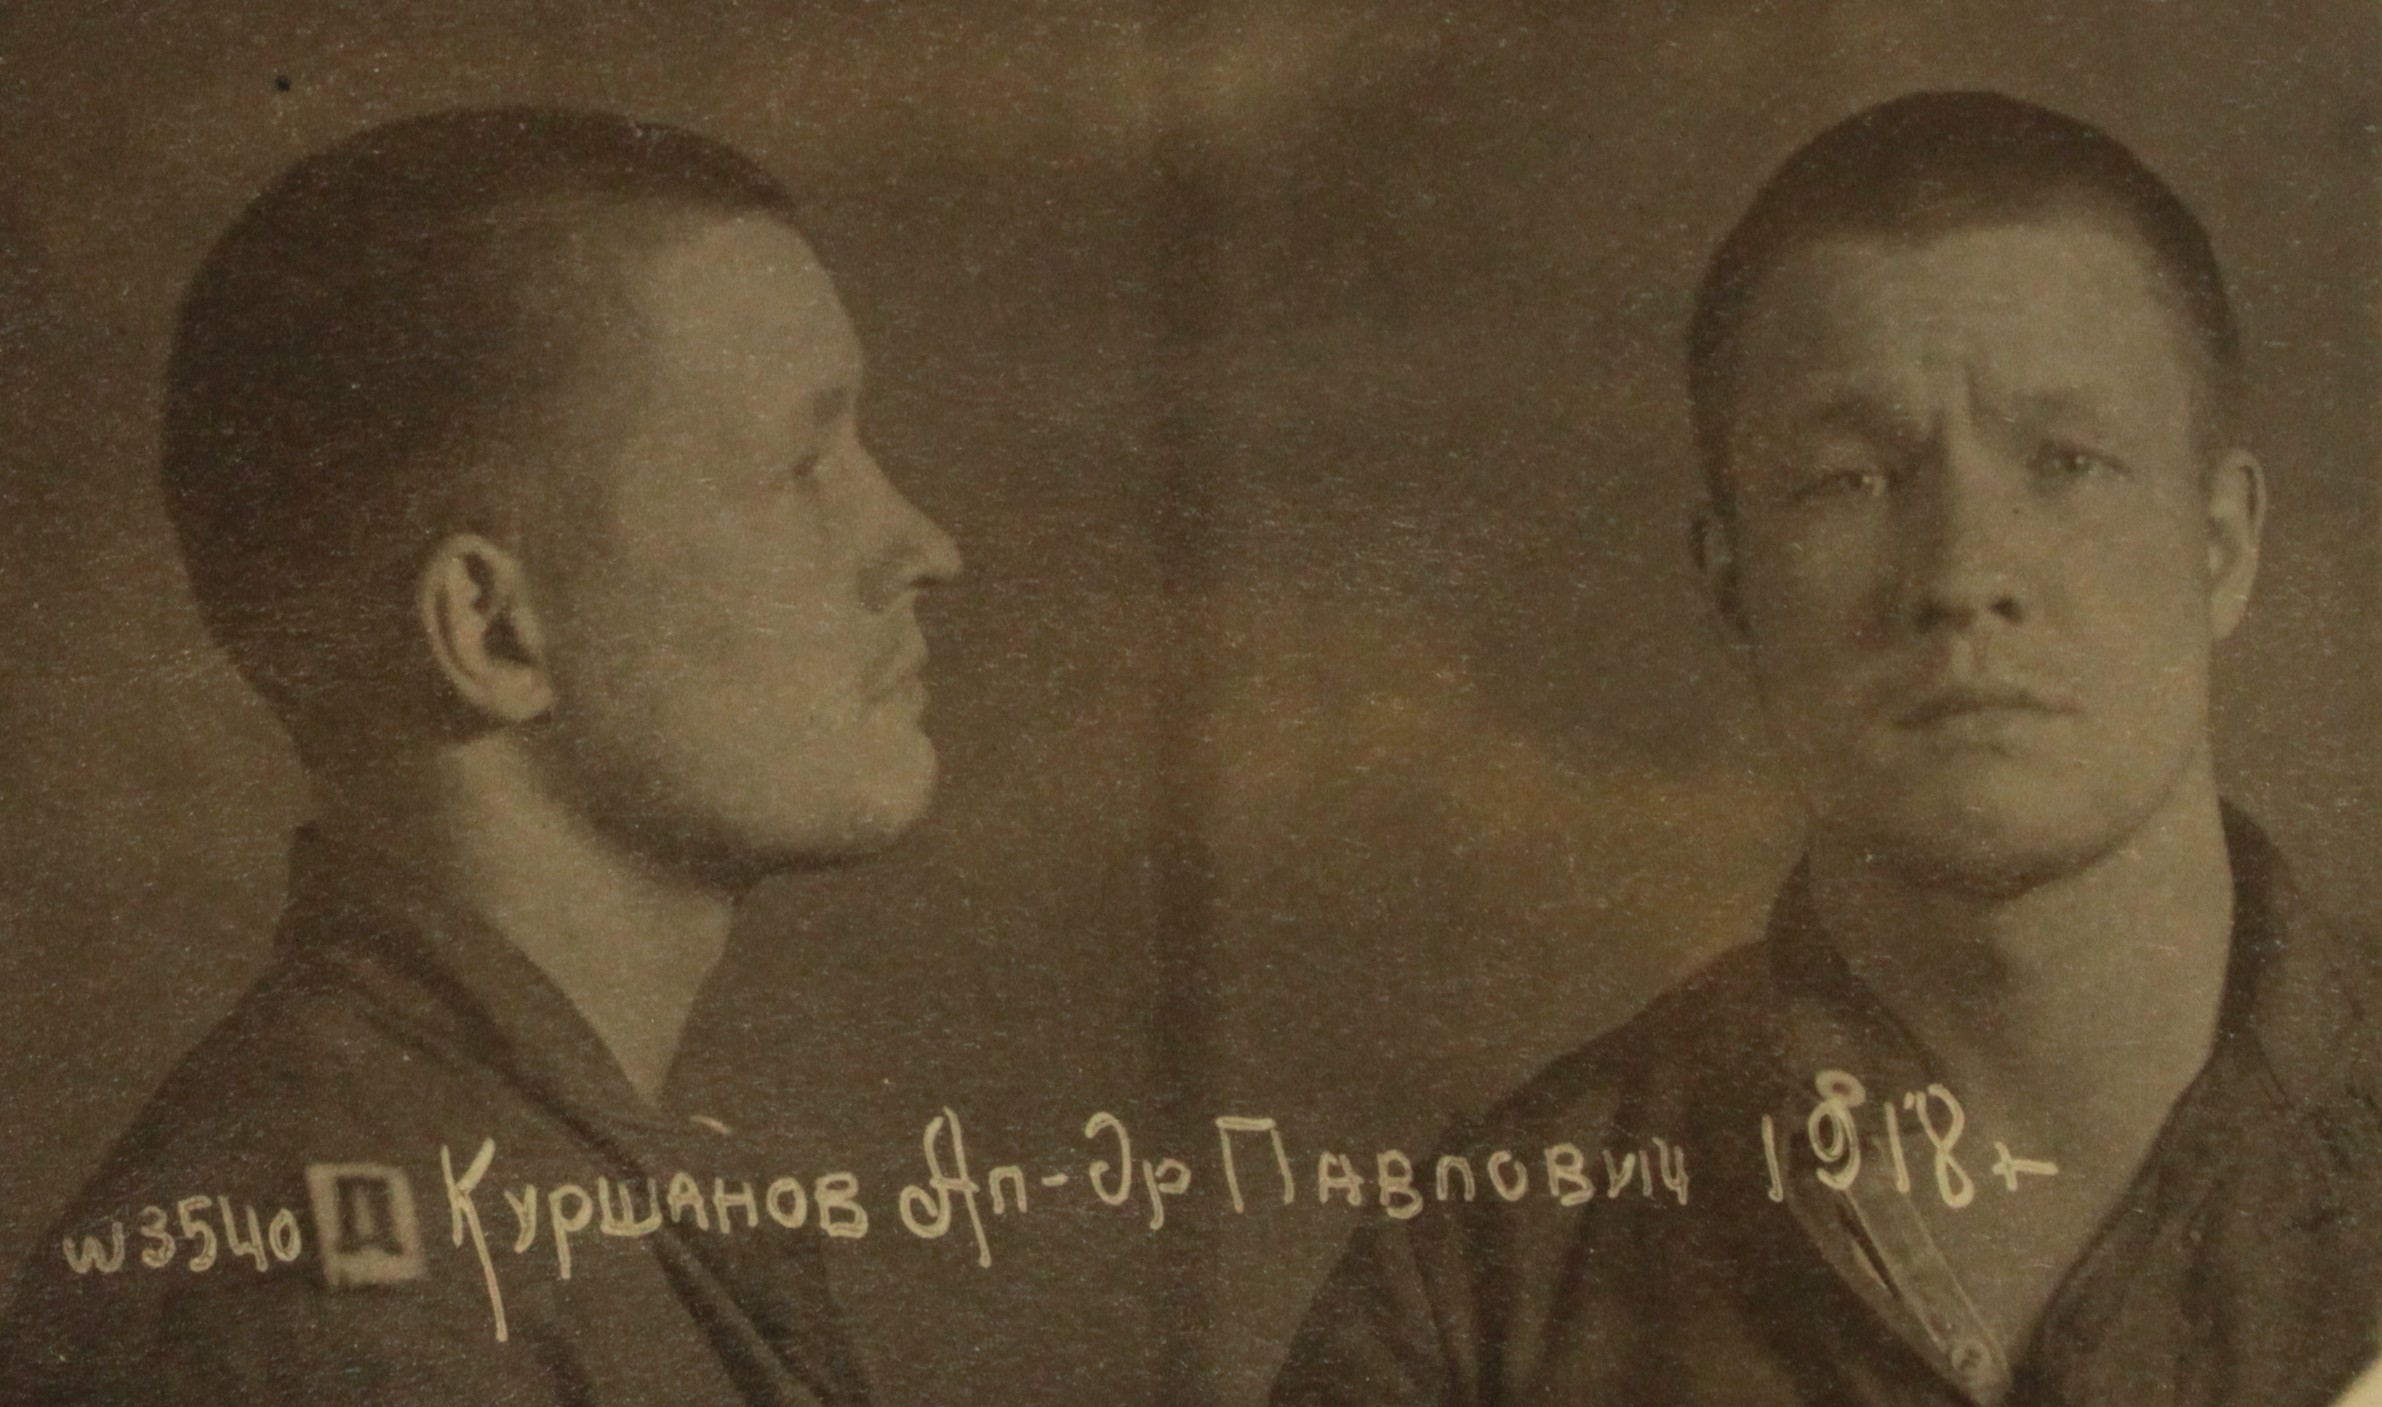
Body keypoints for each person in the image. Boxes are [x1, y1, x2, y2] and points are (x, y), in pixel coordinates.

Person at [1271, 90, 2382, 1406]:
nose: (1960, 575)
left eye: (2068, 462)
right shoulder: (1481, 1284)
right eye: (1851, 481)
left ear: (2223, 544)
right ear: (1731, 582)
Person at [0, 107, 960, 1405]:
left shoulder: (521, 1192)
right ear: (495, 630)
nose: (923, 547)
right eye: (802, 467)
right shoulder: (339, 1324)